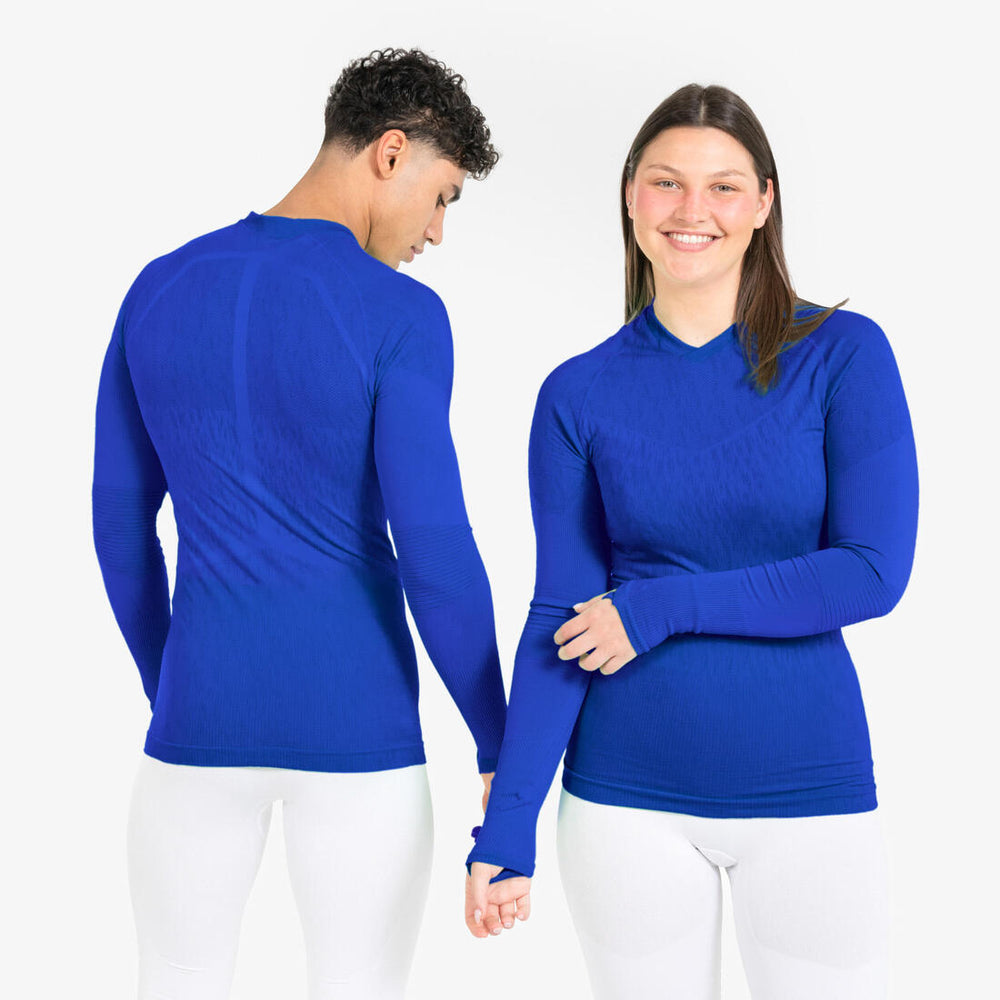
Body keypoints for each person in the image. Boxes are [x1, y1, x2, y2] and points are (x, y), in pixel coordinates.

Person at [465, 83, 918, 1000]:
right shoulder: (576, 394)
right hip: (621, 799)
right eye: (667, 182)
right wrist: (506, 827)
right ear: (632, 195)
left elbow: (872, 571)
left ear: (763, 203)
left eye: (723, 187)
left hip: (809, 790)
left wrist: (662, 605)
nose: (691, 210)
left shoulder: (843, 355)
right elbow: (561, 617)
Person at [92, 47, 507, 1000]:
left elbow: (119, 523)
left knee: (177, 980)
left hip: (195, 731)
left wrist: (174, 683)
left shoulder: (157, 286)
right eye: (441, 197)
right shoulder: (402, 315)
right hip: (359, 731)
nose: (437, 232)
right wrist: (496, 738)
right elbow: (435, 552)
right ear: (390, 154)